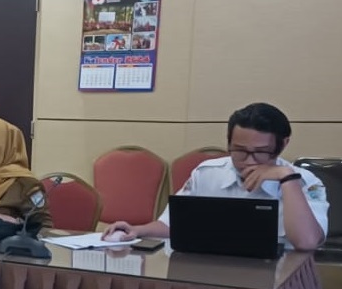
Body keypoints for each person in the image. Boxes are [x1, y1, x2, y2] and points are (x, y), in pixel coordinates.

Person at [104, 102, 328, 250]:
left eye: (261, 152)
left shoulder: (305, 181)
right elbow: (173, 225)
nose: (249, 161)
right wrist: (137, 230)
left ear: (283, 144)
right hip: (211, 268)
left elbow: (306, 242)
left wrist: (287, 178)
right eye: (239, 150)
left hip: (277, 275)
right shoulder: (207, 173)